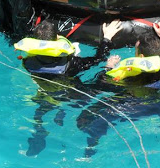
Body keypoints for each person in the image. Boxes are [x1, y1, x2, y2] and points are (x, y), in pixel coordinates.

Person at [76, 23, 160, 157]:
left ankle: (90, 148)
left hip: (133, 107)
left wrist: (108, 68)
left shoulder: (130, 76)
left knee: (85, 119)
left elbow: (101, 85)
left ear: (140, 57)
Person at [16, 19, 122, 156]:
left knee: (39, 118)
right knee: (101, 82)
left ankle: (39, 138)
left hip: (44, 97)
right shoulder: (71, 64)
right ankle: (109, 67)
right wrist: (107, 38)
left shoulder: (28, 62)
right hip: (71, 96)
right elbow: (98, 58)